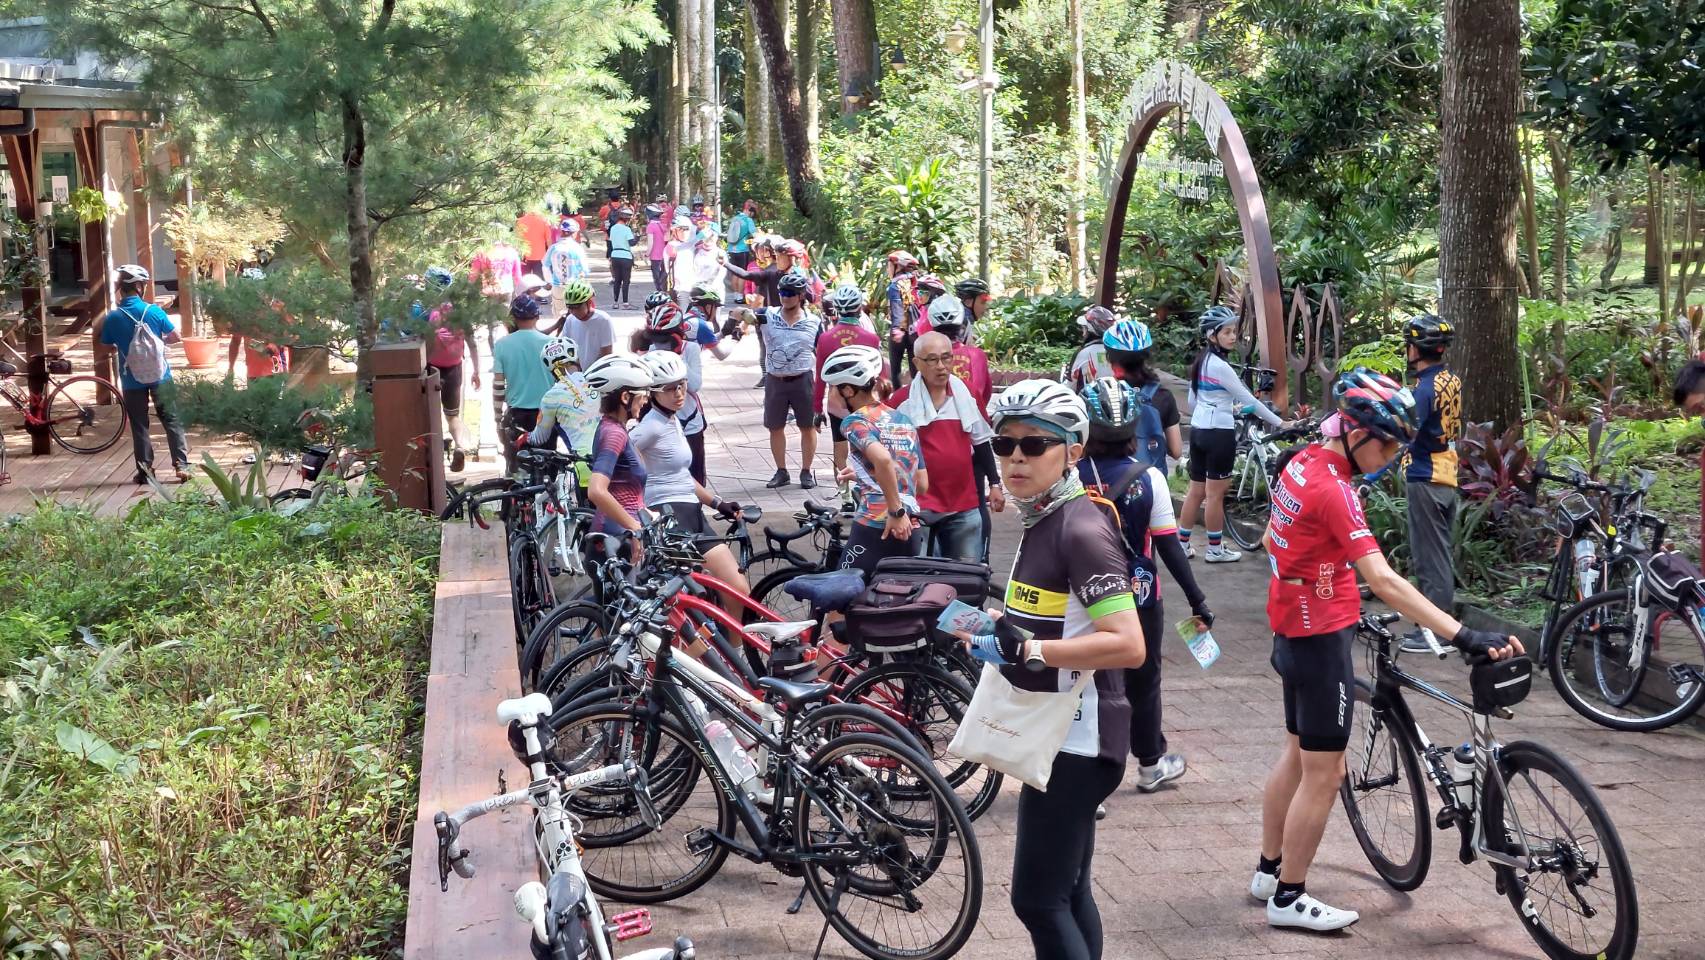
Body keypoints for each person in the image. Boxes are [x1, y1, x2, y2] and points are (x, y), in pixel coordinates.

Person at [1252, 367, 1522, 932]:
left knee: (1297, 754)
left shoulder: (1302, 463)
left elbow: (1280, 544)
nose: (1396, 456)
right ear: (1357, 434)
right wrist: (1463, 634)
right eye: (1391, 444)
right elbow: (1385, 580)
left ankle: (1267, 870)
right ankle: (1289, 897)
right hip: (1319, 638)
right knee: (1324, 774)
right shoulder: (1334, 489)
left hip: (1291, 627)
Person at [953, 378, 1146, 960]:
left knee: (1037, 901)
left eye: (1035, 445)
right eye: (1002, 443)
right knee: (1066, 891)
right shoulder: (1045, 518)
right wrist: (1000, 623)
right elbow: (1064, 617)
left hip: (1080, 742)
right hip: (1066, 734)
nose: (1015, 457)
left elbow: (1128, 643)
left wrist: (1032, 652)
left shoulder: (1080, 529)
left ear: (1074, 451)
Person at [1078, 377, 1209, 793]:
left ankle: (1090, 780)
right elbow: (1169, 546)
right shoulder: (1148, 478)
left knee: (1086, 682)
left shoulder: (1066, 476)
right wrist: (1197, 599)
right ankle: (1150, 765)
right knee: (1144, 678)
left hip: (1082, 596)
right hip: (1138, 593)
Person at [631, 349, 754, 621]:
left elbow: (682, 474)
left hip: (693, 511)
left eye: (682, 385)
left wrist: (717, 502)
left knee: (738, 589)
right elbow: (620, 459)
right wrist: (638, 508)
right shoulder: (649, 427)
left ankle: (731, 659)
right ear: (652, 392)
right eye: (670, 388)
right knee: (683, 607)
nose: (679, 393)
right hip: (668, 515)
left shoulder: (671, 420)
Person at [1178, 306, 1286, 562]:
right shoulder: (1221, 366)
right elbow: (1250, 400)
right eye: (1226, 332)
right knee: (1215, 494)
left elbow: (1193, 403)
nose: (1232, 336)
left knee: (1196, 491)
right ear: (1212, 335)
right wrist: (1281, 424)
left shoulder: (1200, 362)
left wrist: (1223, 405)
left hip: (1198, 430)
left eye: (1234, 331)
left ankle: (1182, 544)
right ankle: (1215, 549)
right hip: (1219, 434)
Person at [888, 331, 1004, 561]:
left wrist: (995, 483)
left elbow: (981, 442)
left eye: (947, 358)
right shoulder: (901, 402)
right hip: (919, 506)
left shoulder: (967, 393)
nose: (941, 366)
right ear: (917, 363)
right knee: (919, 578)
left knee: (968, 576)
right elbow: (889, 456)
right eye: (932, 359)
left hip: (964, 503)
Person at [823, 345, 927, 575]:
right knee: (888, 602)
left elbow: (882, 460)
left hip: (877, 524)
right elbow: (920, 482)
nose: (829, 395)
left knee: (836, 599)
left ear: (848, 390)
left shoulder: (853, 422)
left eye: (832, 388)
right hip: (911, 527)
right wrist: (864, 473)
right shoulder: (902, 420)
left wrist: (894, 511)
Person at [1397, 314, 1463, 653]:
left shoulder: (1421, 390)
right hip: (1447, 472)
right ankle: (1437, 625)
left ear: (1415, 349)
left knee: (1430, 557)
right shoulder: (1450, 379)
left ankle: (1438, 631)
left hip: (1425, 475)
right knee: (1439, 553)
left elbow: (1409, 434)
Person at [95, 264, 191, 484]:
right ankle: (181, 465)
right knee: (172, 420)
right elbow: (175, 336)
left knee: (139, 425)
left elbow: (106, 346)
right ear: (139, 287)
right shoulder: (154, 311)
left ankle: (145, 470)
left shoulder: (113, 318)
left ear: (122, 288)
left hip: (131, 380)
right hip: (161, 376)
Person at [746, 272, 822, 488]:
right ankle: (781, 471)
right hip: (775, 380)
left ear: (800, 296)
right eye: (782, 292)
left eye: (790, 293)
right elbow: (739, 314)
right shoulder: (767, 315)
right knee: (775, 426)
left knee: (808, 426)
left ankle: (806, 471)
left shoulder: (814, 322)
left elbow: (822, 352)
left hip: (803, 379)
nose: (785, 297)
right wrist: (742, 317)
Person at [814, 284, 885, 510]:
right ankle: (868, 490)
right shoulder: (871, 338)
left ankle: (845, 497)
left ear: (836, 308)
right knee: (867, 446)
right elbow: (881, 376)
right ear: (859, 308)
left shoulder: (826, 338)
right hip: (864, 401)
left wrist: (816, 408)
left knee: (840, 446)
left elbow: (819, 377)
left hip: (837, 402)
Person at [580, 354, 652, 538]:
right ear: (626, 397)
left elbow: (625, 488)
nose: (645, 402)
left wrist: (647, 516)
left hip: (621, 533)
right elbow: (596, 491)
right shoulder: (614, 434)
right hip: (616, 539)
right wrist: (634, 527)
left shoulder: (614, 428)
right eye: (643, 396)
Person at [1102, 317, 1184, 471]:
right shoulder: (1163, 396)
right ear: (1146, 357)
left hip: (1110, 482)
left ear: (1110, 358)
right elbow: (1177, 451)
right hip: (1151, 483)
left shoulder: (1101, 396)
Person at [422, 266, 482, 472]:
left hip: (431, 368)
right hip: (455, 368)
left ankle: (435, 455)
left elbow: (424, 342)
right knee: (453, 415)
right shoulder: (460, 314)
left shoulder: (431, 315)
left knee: (430, 413)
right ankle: (459, 446)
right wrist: (476, 371)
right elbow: (472, 344)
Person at [492, 294, 553, 470]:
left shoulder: (502, 344)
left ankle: (515, 495)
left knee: (516, 468)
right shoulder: (552, 343)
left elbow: (498, 386)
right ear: (537, 316)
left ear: (513, 318)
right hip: (546, 414)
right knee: (546, 465)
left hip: (517, 415)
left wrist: (497, 418)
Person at [527, 337, 598, 459]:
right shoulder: (598, 381)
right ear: (577, 359)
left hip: (585, 462)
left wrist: (524, 437)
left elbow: (539, 438)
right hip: (614, 456)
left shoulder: (551, 397)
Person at [553, 280, 615, 365]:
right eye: (570, 307)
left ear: (589, 303)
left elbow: (607, 354)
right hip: (576, 372)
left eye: (577, 307)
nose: (573, 312)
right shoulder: (570, 320)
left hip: (596, 372)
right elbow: (565, 348)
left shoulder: (603, 320)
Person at [884, 250, 922, 380]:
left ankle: (897, 398)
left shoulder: (895, 286)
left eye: (889, 265)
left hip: (900, 332)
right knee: (915, 368)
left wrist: (896, 329)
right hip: (916, 330)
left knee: (895, 370)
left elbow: (896, 308)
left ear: (898, 266)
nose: (888, 268)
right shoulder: (915, 282)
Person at [1068, 306, 1119, 387]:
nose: (1083, 333)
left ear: (1090, 329)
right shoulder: (1120, 351)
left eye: (1084, 329)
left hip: (1089, 398)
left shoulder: (1084, 353)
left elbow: (1070, 384)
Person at [607, 208, 636, 308]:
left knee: (617, 280)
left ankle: (615, 302)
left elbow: (611, 242)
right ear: (627, 219)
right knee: (626, 280)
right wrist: (638, 236)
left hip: (615, 255)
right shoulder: (627, 229)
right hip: (626, 256)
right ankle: (625, 302)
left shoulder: (613, 228)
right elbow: (632, 243)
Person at [515, 208, 554, 276]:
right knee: (539, 281)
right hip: (540, 256)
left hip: (524, 256)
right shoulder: (544, 221)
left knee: (526, 282)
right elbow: (548, 240)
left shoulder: (520, 221)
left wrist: (518, 255)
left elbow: (517, 240)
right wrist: (550, 255)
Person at [645, 204, 671, 294]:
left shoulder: (650, 226)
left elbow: (650, 243)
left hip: (655, 255)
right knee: (663, 275)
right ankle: (664, 291)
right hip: (664, 254)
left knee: (656, 276)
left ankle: (659, 292)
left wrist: (647, 254)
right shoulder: (663, 226)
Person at [726, 200, 758, 271]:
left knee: (735, 274)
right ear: (750, 211)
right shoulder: (748, 220)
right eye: (753, 213)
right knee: (742, 274)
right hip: (742, 251)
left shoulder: (734, 218)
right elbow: (756, 236)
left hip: (731, 250)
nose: (753, 215)